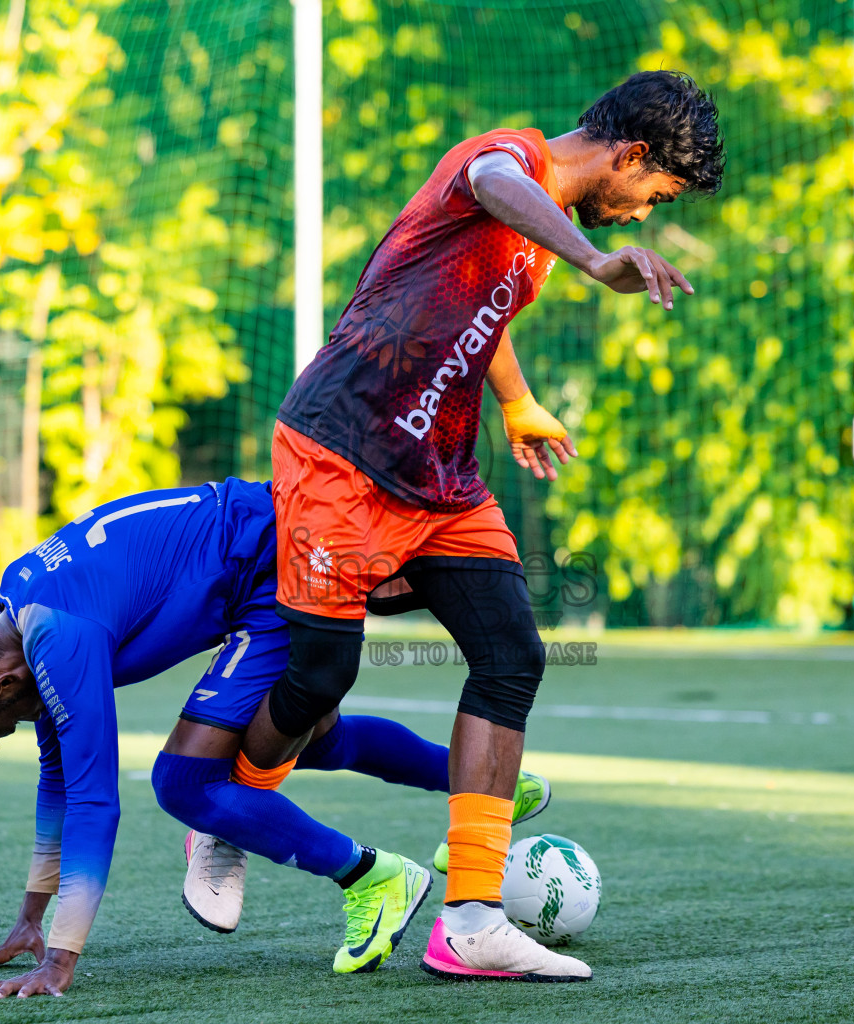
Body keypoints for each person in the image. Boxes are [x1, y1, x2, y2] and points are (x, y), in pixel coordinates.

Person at [240, 69, 725, 982]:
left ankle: (469, 917)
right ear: (630, 157)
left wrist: (520, 402)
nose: (640, 216)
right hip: (341, 453)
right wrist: (590, 259)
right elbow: (497, 188)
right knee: (319, 677)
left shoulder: (532, 240)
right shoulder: (504, 161)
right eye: (653, 194)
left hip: (441, 477)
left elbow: (483, 316)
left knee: (513, 653)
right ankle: (235, 810)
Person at [0, 479, 553, 997]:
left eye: (10, 719)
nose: (27, 722)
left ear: (3, 684)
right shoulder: (18, 601)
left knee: (185, 782)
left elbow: (96, 803)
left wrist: (63, 958)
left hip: (274, 572)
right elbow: (57, 782)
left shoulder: (59, 641)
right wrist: (30, 918)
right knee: (317, 741)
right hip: (262, 545)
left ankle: (370, 876)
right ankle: (489, 786)